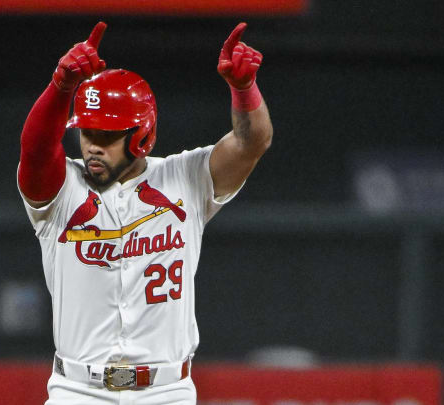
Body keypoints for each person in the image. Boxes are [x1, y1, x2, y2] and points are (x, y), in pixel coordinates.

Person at [17, 21, 272, 404]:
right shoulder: (62, 189)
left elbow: (252, 142)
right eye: (87, 133)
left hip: (166, 390)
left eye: (107, 136)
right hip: (79, 390)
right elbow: (35, 151)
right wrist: (60, 87)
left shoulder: (185, 177)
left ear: (142, 134)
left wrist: (243, 89)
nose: (93, 147)